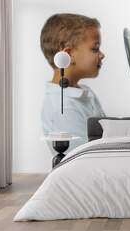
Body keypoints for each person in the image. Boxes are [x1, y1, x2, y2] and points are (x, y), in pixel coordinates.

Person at [40, 13, 106, 153]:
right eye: (95, 48)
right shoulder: (63, 107)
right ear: (68, 55)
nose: (102, 55)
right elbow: (83, 157)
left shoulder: (84, 91)